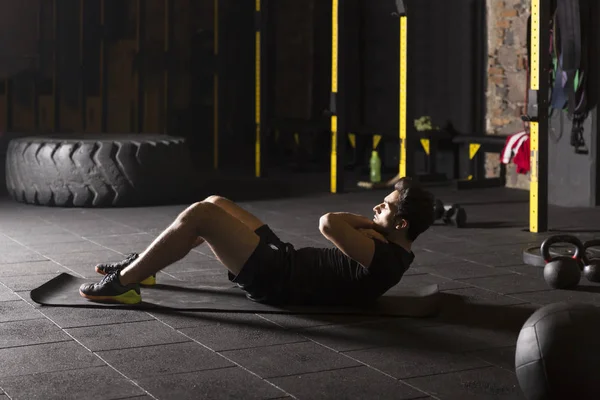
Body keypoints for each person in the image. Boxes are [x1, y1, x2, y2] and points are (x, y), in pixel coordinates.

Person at [79, 177, 435, 306]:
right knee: (215, 202)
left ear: (401, 223)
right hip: (283, 258)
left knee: (199, 216)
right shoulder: (389, 247)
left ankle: (124, 285)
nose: (375, 207)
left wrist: (364, 225)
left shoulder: (385, 259)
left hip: (276, 279)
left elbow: (328, 223)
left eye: (384, 207)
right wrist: (378, 228)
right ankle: (146, 266)